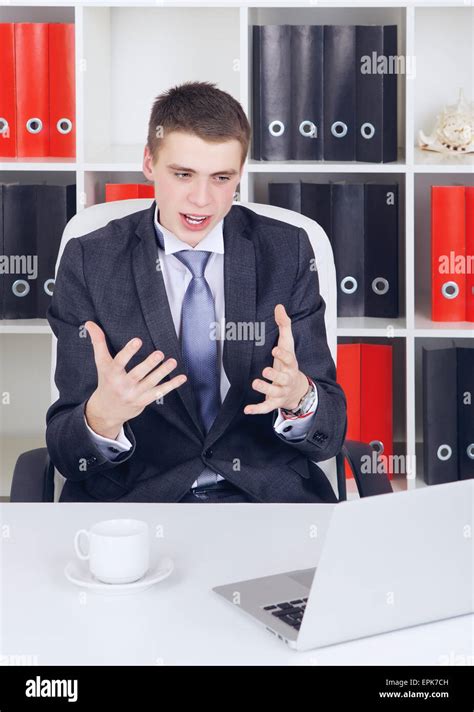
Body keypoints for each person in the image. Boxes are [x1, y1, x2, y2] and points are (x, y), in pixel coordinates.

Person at [46, 80, 347, 503]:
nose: (202, 199)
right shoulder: (89, 261)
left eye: (221, 178)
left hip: (264, 498)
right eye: (183, 174)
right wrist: (103, 416)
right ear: (149, 162)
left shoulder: (289, 251)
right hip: (138, 501)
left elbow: (329, 437)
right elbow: (65, 453)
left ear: (240, 175)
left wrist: (299, 398)